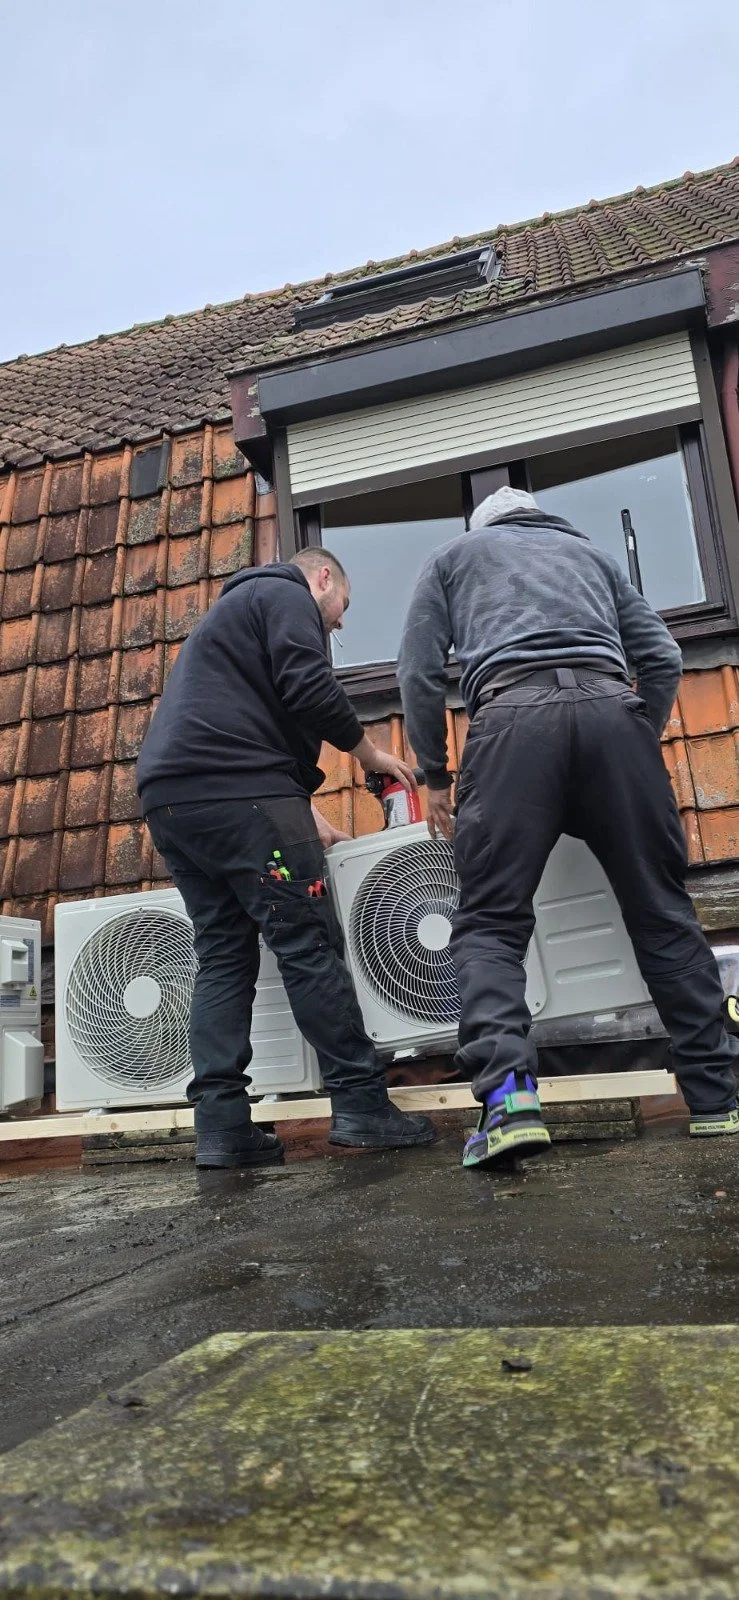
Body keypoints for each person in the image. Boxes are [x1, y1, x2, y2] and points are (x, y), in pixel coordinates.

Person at [398, 486, 739, 1168]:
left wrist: (435, 775)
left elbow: (418, 671)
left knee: (491, 924)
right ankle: (717, 1099)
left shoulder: (451, 557)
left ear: (483, 527)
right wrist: (634, 736)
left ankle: (510, 1101)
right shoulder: (591, 557)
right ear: (537, 519)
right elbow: (663, 658)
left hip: (511, 719)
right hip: (615, 714)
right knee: (661, 911)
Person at [137, 547, 435, 1168]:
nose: (341, 623)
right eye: (343, 606)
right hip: (243, 794)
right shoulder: (283, 595)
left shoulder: (228, 621)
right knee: (307, 942)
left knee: (222, 955)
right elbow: (307, 684)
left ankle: (221, 1128)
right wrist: (368, 751)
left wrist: (297, 809)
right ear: (322, 577)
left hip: (174, 803)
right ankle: (361, 1106)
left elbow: (243, 723)